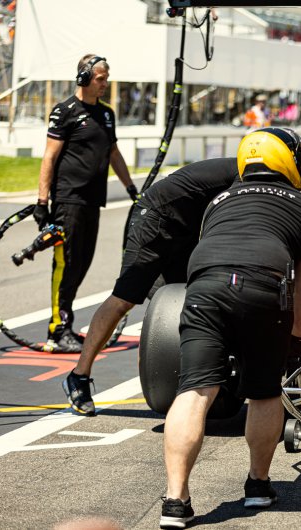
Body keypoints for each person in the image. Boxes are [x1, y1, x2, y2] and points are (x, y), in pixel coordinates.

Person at [160, 127, 301, 528]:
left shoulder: (217, 200)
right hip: (262, 287)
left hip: (204, 287)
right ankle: (258, 485)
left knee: (195, 390)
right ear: (291, 163)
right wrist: (298, 336)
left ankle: (175, 500)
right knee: (265, 392)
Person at [60, 157, 239, 416]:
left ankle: (186, 377)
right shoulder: (248, 174)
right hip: (156, 218)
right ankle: (78, 375)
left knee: (192, 298)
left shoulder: (255, 172)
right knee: (124, 299)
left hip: (186, 229)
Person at [33, 54, 135, 352]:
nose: (105, 84)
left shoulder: (106, 114)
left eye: (106, 79)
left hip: (92, 201)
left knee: (82, 265)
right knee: (66, 265)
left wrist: (131, 188)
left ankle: (65, 324)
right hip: (68, 201)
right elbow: (50, 156)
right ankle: (57, 330)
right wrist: (42, 201)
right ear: (84, 78)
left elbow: (113, 153)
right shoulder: (64, 111)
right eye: (101, 79)